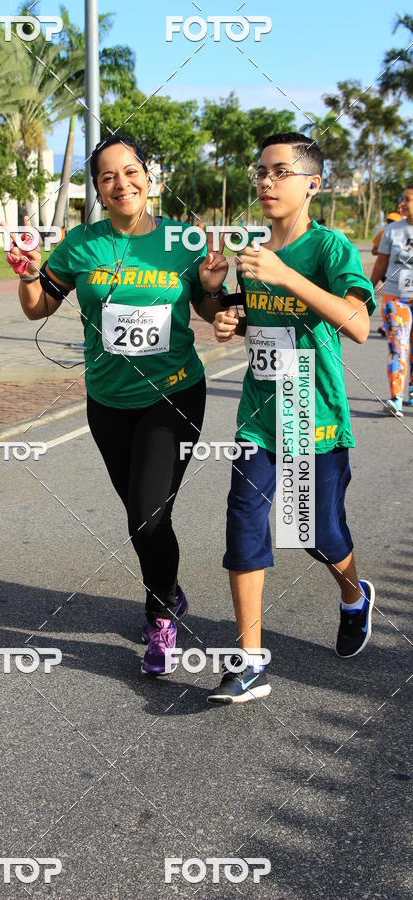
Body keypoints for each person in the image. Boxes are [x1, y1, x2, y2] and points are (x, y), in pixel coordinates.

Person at [6, 134, 228, 676]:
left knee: (149, 516)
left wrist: (214, 289)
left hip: (173, 393)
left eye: (131, 172)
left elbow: (209, 311)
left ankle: (159, 619)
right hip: (106, 400)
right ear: (98, 190)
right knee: (140, 517)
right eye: (108, 177)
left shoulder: (183, 241)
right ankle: (170, 590)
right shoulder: (81, 243)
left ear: (149, 179)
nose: (121, 183)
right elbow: (39, 309)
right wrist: (30, 273)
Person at [209, 132, 376, 704]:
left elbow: (357, 323)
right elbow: (254, 322)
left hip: (317, 416)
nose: (265, 182)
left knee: (319, 536)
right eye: (261, 172)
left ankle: (354, 596)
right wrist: (229, 319)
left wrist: (285, 276)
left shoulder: (330, 249)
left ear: (313, 183)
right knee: (244, 523)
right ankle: (249, 659)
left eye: (280, 172)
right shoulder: (251, 255)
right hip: (259, 415)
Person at [370, 187, 413, 415]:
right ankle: (396, 398)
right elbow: (381, 264)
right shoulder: (392, 230)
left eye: (408, 200)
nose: (402, 204)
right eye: (402, 199)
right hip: (396, 299)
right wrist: (367, 290)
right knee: (398, 347)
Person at [372, 205, 405, 338]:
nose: (391, 223)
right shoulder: (386, 232)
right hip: (388, 272)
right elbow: (374, 251)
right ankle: (387, 325)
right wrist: (385, 251)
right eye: (389, 221)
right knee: (390, 298)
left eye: (394, 221)